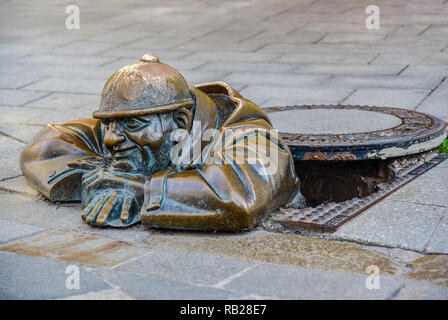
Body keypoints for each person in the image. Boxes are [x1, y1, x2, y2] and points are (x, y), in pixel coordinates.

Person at [20, 53, 301, 231]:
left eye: (131, 124)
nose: (110, 137)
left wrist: (140, 189)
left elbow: (240, 196)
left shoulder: (248, 134)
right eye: (107, 123)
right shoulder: (139, 124)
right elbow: (44, 148)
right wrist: (101, 181)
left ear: (180, 122)